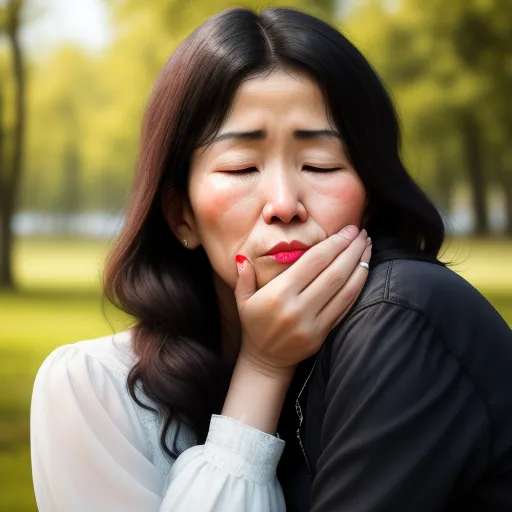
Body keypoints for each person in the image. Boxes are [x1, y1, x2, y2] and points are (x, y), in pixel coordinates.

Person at [30, 6, 512, 512]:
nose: (284, 203)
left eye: (319, 164)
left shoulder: (391, 332)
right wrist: (262, 368)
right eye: (241, 167)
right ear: (181, 218)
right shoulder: (92, 392)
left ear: (369, 195)